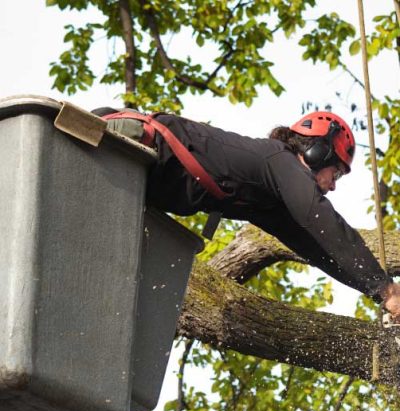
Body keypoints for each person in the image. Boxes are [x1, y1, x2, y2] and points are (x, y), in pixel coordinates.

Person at [93, 107, 400, 322]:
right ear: (316, 153)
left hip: (133, 178)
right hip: (124, 144)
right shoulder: (279, 160)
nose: (333, 186)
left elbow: (321, 248)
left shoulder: (270, 198)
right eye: (336, 174)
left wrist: (377, 293)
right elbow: (324, 222)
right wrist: (387, 289)